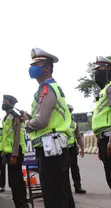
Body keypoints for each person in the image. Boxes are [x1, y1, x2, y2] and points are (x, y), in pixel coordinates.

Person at [22, 48, 75, 208]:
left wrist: (26, 123)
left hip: (50, 151)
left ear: (46, 67)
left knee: (54, 197)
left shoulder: (47, 89)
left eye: (36, 64)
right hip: (53, 149)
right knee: (62, 194)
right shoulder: (49, 89)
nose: (32, 67)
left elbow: (40, 122)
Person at [2, 95, 29, 208]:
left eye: (5, 101)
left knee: (16, 180)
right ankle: (18, 202)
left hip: (15, 153)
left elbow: (17, 136)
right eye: (3, 101)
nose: (3, 103)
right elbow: (5, 137)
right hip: (9, 153)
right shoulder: (6, 117)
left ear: (11, 104)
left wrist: (14, 155)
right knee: (13, 180)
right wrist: (4, 154)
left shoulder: (15, 116)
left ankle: (22, 203)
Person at [91, 56, 111, 190]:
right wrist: (99, 144)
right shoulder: (103, 92)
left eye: (100, 69)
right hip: (104, 139)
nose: (97, 73)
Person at [67, 104, 87, 194]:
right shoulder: (60, 121)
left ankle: (78, 186)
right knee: (63, 169)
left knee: (75, 168)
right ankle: (65, 188)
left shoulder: (74, 123)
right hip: (62, 148)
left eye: (70, 111)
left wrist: (82, 148)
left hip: (72, 147)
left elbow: (78, 136)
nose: (69, 112)